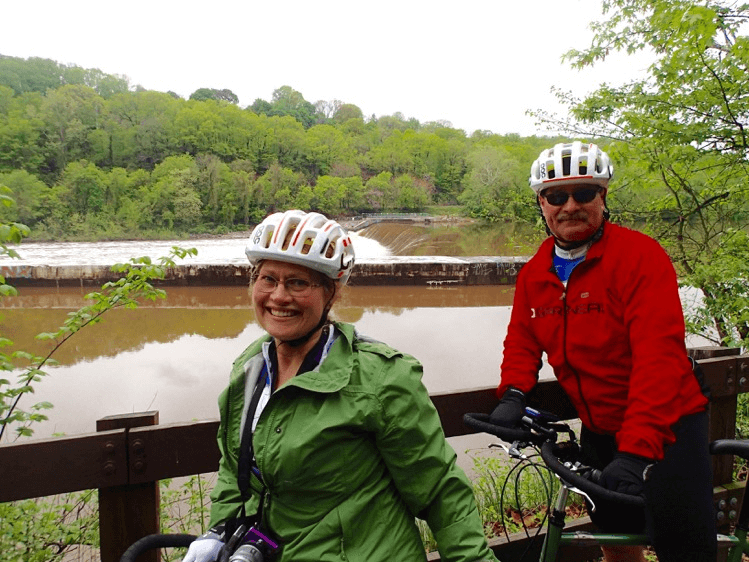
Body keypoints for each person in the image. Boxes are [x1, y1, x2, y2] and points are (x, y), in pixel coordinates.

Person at [182, 209, 498, 562]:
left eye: (298, 283)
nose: (278, 296)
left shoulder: (379, 377)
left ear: (332, 293)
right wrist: (221, 532)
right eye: (267, 278)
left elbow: (439, 491)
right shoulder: (250, 367)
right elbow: (233, 469)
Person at [489, 141, 716, 562]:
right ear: (542, 203)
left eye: (584, 193)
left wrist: (636, 451)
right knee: (614, 539)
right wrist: (515, 394)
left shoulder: (639, 257)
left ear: (603, 196)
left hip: (668, 426)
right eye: (557, 195)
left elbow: (658, 359)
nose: (570, 205)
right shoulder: (535, 272)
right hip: (599, 428)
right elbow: (522, 339)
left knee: (685, 549)